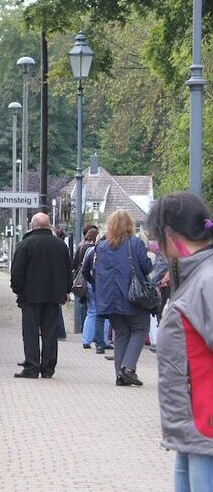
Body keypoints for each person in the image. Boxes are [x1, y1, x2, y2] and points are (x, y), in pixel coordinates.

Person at [146, 192, 213, 491]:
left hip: (204, 423)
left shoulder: (206, 280)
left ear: (170, 236)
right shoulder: (196, 277)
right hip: (192, 426)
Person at [84, 210, 152, 386]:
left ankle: (120, 376)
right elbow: (146, 267)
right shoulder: (135, 243)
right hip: (133, 297)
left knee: (121, 334)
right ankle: (128, 368)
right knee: (140, 329)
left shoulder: (101, 247)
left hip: (109, 299)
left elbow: (93, 272)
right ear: (129, 225)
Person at [10, 212, 72, 378]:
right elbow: (68, 270)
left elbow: (17, 272)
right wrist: (66, 291)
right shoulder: (60, 245)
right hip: (54, 297)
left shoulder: (25, 245)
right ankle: (48, 369)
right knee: (50, 333)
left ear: (33, 226)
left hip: (30, 297)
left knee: (30, 333)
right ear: (48, 225)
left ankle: (31, 367)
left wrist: (18, 290)